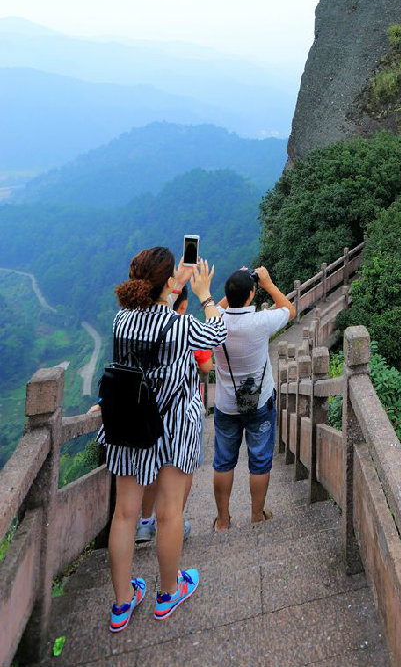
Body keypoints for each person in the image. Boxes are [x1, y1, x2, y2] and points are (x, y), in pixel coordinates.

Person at [101, 249, 225, 632]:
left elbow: (153, 317)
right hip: (171, 426)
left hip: (128, 423)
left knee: (124, 513)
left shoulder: (122, 320)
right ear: (166, 284)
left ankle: (122, 604)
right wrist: (203, 293)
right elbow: (217, 333)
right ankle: (167, 593)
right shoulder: (178, 326)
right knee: (170, 511)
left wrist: (175, 283)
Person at [212, 266, 295, 531]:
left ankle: (223, 521)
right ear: (251, 295)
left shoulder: (214, 324)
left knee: (223, 461)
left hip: (226, 405)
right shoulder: (260, 322)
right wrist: (268, 284)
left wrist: (234, 284)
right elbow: (289, 310)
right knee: (259, 460)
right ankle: (257, 515)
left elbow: (216, 307)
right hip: (258, 403)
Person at [135, 287, 212, 544]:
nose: (184, 311)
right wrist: (207, 297)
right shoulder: (186, 329)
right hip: (180, 417)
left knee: (151, 470)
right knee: (182, 469)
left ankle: (145, 522)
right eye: (182, 306)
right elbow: (206, 364)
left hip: (145, 413)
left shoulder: (138, 326)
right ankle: (173, 520)